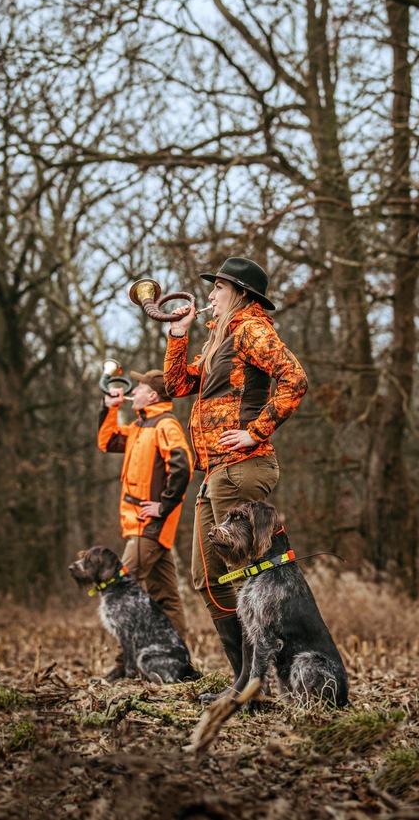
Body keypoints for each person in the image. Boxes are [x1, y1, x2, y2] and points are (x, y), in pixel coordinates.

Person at [163, 256, 308, 686]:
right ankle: (247, 681)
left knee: (250, 580)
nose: (210, 295)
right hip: (215, 472)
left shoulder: (251, 330)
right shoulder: (220, 339)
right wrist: (178, 334)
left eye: (218, 288)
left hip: (242, 467)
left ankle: (257, 683)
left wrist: (255, 431)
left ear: (240, 293)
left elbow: (295, 379)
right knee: (208, 579)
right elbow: (177, 385)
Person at [97, 367, 194, 681]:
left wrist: (163, 505)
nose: (133, 391)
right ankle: (179, 665)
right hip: (140, 527)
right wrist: (109, 409)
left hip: (149, 526)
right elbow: (108, 441)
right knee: (167, 597)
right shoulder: (140, 426)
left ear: (152, 395)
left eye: (138, 387)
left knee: (120, 589)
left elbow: (183, 466)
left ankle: (123, 665)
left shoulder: (165, 425)